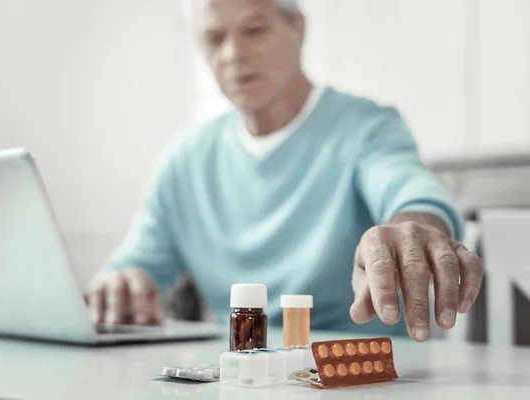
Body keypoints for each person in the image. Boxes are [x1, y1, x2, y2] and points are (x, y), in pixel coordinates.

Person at [85, 0, 483, 342]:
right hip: (242, 377)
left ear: (298, 27)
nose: (232, 55)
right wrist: (120, 284)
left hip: (356, 377)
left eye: (255, 30)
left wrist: (416, 225)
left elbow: (409, 191)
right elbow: (136, 263)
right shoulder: (185, 160)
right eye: (214, 39)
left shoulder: (366, 128)